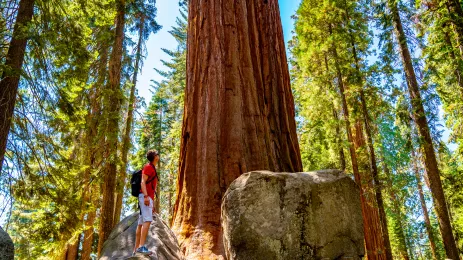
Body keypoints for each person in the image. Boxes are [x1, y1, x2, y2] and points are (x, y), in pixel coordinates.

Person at [133, 150, 159, 256]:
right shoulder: (148, 167)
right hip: (145, 197)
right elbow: (143, 182)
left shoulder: (152, 167)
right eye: (157, 154)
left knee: (140, 223)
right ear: (154, 157)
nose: (158, 155)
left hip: (146, 198)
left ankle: (135, 250)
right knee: (147, 221)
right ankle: (141, 247)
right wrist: (146, 196)